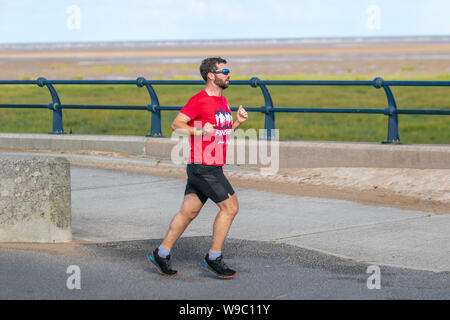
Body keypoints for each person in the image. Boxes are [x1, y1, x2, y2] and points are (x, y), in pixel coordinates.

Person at [147, 57, 248, 279]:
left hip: (209, 166)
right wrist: (199, 130)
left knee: (188, 212)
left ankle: (161, 253)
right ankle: (214, 258)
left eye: (228, 71)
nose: (229, 74)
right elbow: (177, 125)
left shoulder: (222, 101)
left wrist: (237, 122)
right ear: (211, 76)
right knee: (230, 208)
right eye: (224, 71)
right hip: (204, 166)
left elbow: (221, 132)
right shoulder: (199, 100)